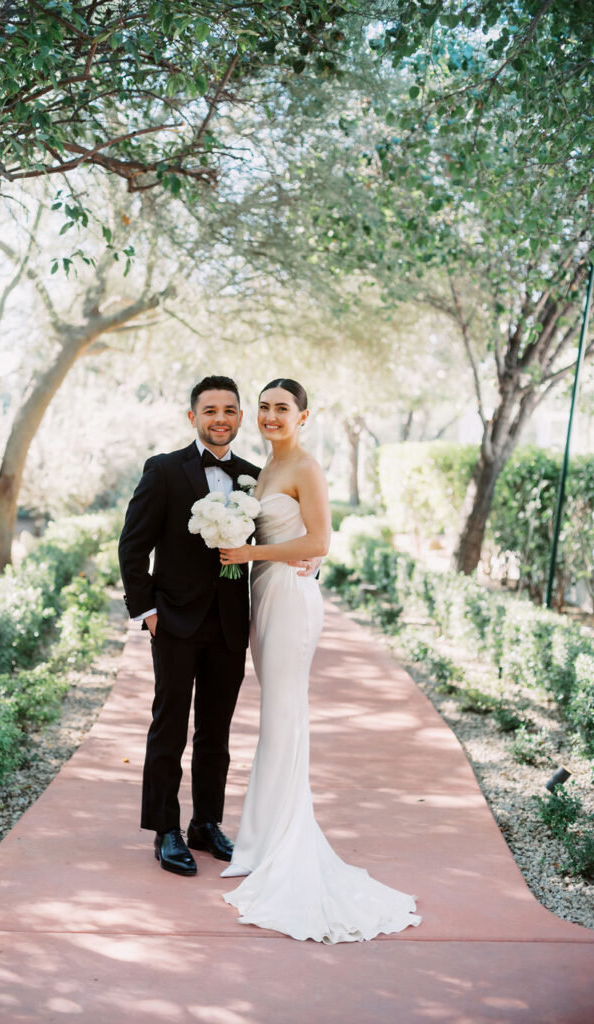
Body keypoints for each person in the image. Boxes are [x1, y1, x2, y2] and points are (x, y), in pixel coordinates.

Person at [218, 378, 421, 942]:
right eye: (264, 407)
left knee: (282, 719)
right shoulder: (262, 470)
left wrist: (250, 551)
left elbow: (319, 544)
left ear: (304, 415)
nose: (270, 416)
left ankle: (276, 845)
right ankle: (261, 839)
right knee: (277, 720)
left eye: (282, 408)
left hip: (289, 599)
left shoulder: (305, 466)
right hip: (266, 593)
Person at [119, 375, 316, 877]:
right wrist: (147, 612)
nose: (221, 419)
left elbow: (289, 531)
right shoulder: (163, 471)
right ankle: (166, 828)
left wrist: (311, 566)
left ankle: (206, 824)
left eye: (230, 410)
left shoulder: (256, 476)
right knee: (169, 725)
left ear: (240, 418)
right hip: (175, 622)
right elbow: (133, 546)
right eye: (210, 411)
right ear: (193, 418)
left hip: (231, 623)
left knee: (217, 731)